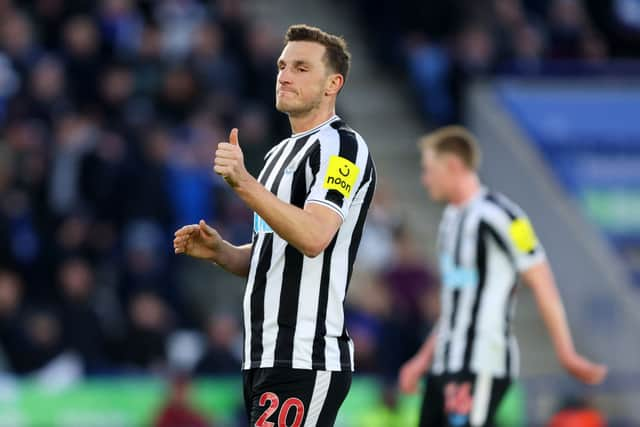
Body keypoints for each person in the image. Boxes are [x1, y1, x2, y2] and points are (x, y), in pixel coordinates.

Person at [173, 24, 376, 426]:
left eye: (301, 68)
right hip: (263, 355)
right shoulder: (277, 155)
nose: (284, 75)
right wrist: (224, 253)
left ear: (333, 83)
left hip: (305, 355)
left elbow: (315, 236)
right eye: (282, 65)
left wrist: (243, 184)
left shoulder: (342, 148)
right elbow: (276, 252)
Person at [398, 126, 606, 427]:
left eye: (429, 170)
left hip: (481, 360)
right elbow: (457, 302)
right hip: (446, 362)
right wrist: (422, 358)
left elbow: (542, 280)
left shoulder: (503, 215)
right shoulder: (450, 221)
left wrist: (566, 352)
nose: (424, 179)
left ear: (453, 166)